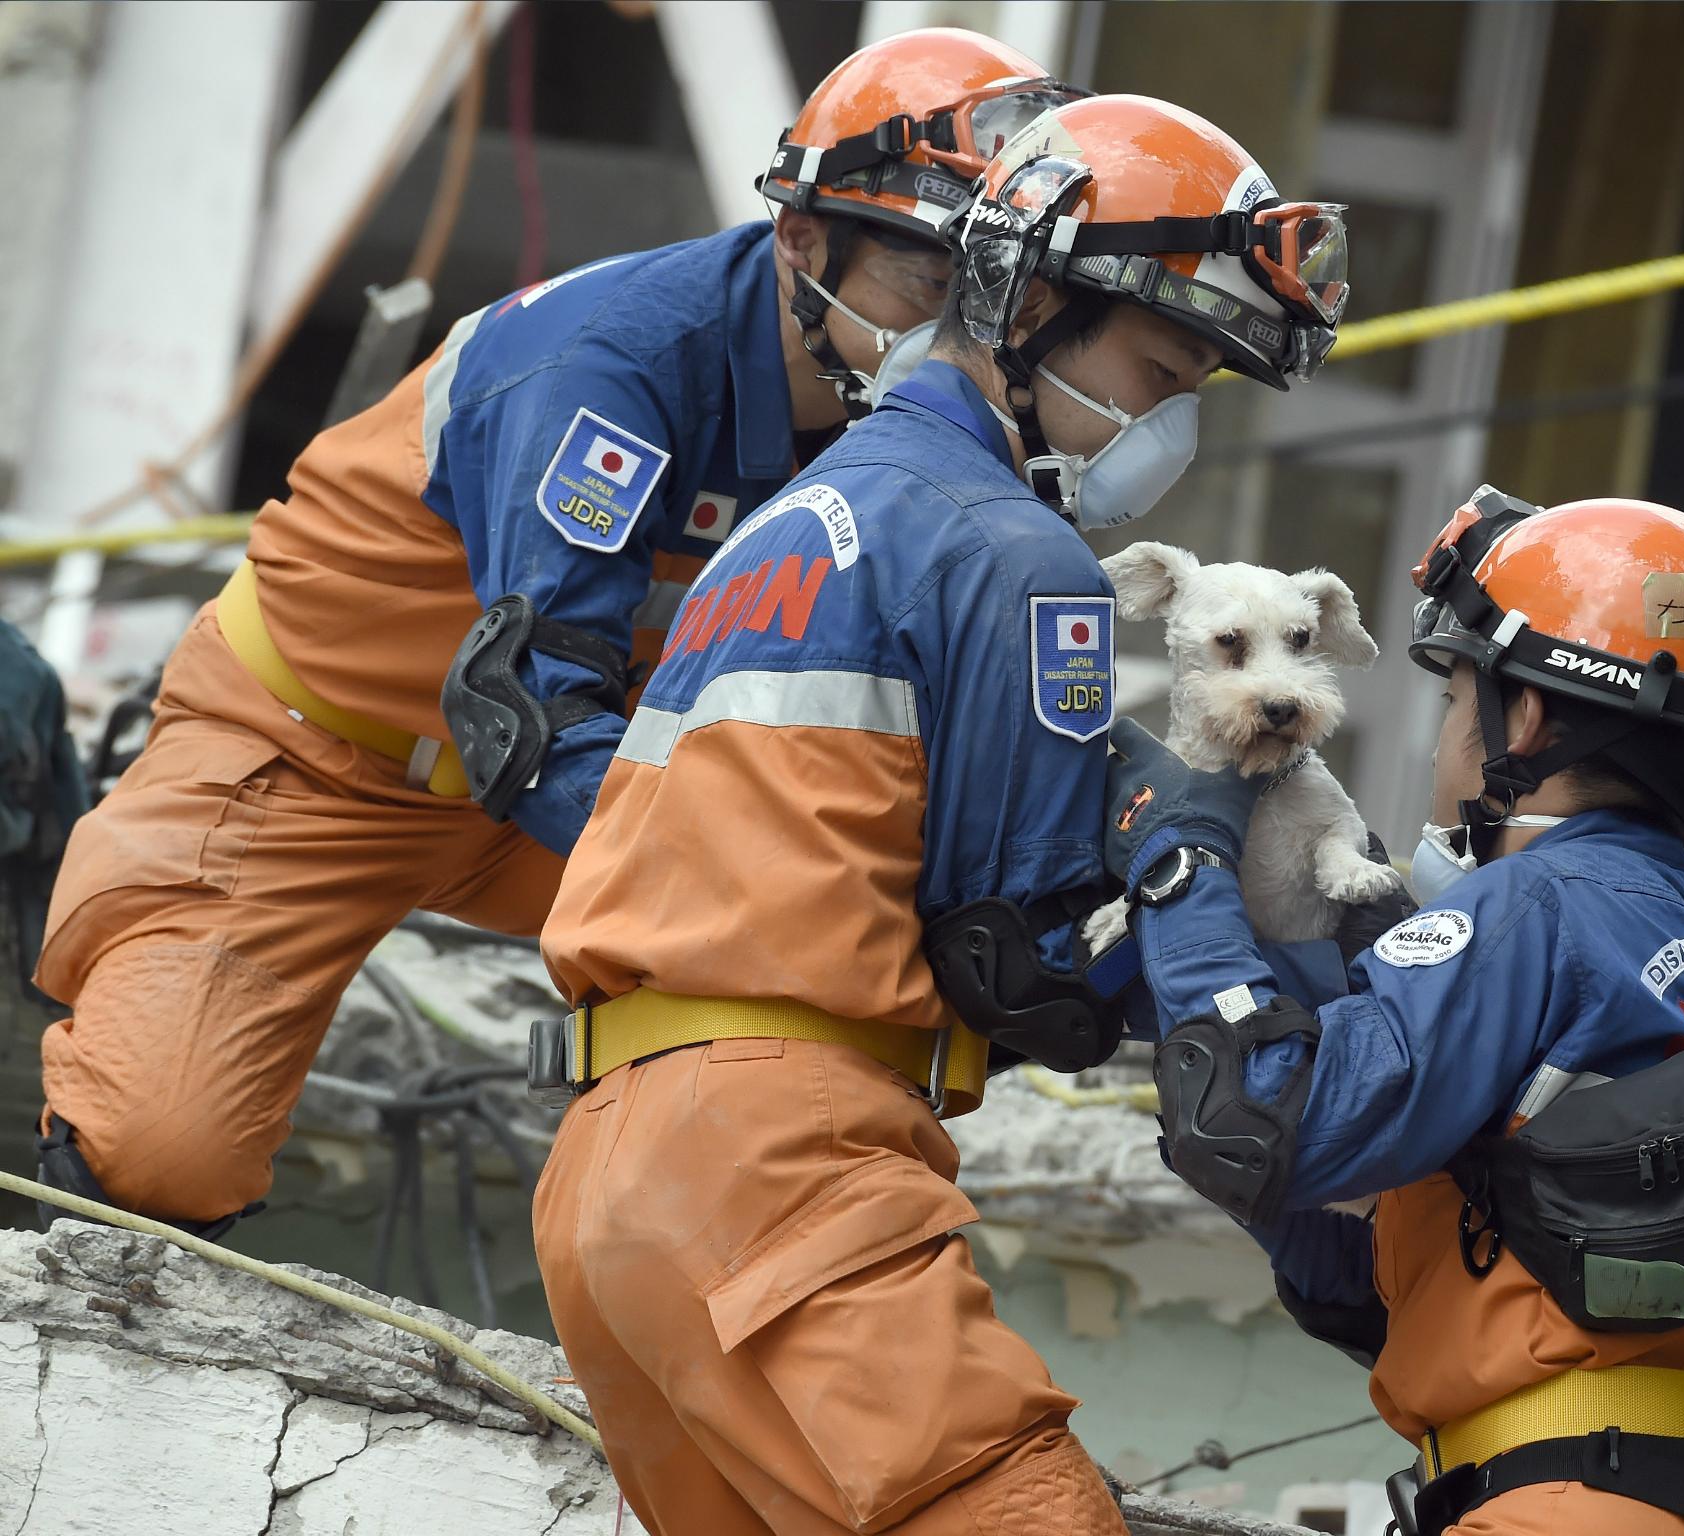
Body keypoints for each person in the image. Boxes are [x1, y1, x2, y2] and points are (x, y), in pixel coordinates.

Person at [31, 28, 1081, 1237]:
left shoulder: (936, 424)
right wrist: (744, 894)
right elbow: (532, 710)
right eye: (926, 285)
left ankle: (747, 1276)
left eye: (997, 297)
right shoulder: (612, 366)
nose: (962, 331)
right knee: (157, 1158)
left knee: (859, 969)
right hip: (314, 762)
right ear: (803, 240)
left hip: (595, 786)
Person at [529, 94, 1351, 1534]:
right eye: (1161, 370)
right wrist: (1204, 863)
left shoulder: (799, 517)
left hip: (611, 1175)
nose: (1167, 427)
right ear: (1024, 297)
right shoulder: (1013, 555)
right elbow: (1019, 967)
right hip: (778, 1168)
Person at [1103, 489, 1684, 1536]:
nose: (1438, 748)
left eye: (1450, 704)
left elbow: (1254, 1122)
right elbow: (1400, 1284)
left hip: (1570, 1504)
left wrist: (1179, 870)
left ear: (1522, 720)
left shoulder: (1527, 912)